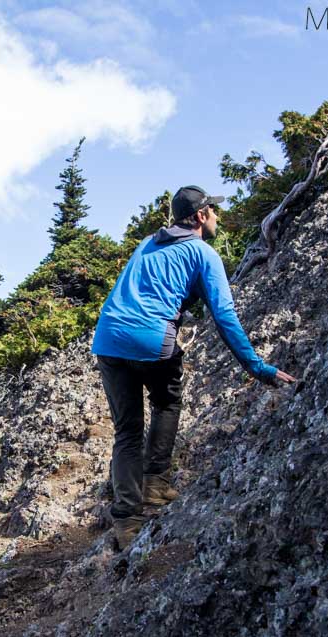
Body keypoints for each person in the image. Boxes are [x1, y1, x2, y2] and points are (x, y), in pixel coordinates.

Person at [91, 185, 297, 550]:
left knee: (127, 431)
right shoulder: (203, 253)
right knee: (167, 403)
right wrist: (258, 368)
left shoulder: (146, 244)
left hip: (107, 338)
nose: (217, 216)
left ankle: (126, 520)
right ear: (201, 216)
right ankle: (155, 485)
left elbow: (134, 291)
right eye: (213, 211)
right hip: (150, 341)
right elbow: (225, 317)